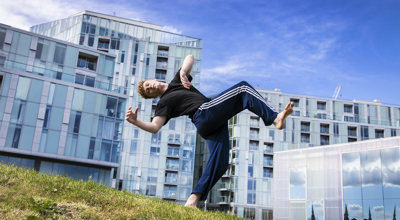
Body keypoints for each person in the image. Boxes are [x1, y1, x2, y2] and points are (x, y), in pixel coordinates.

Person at [126, 54, 293, 208]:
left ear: (153, 79)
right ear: (152, 96)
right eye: (148, 91)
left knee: (220, 163)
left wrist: (184, 71)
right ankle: (274, 118)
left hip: (210, 124)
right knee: (243, 89)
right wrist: (135, 121)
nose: (150, 87)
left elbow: (190, 57)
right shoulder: (163, 103)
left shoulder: (177, 80)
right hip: (204, 112)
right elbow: (155, 127)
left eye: (148, 84)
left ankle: (192, 201)